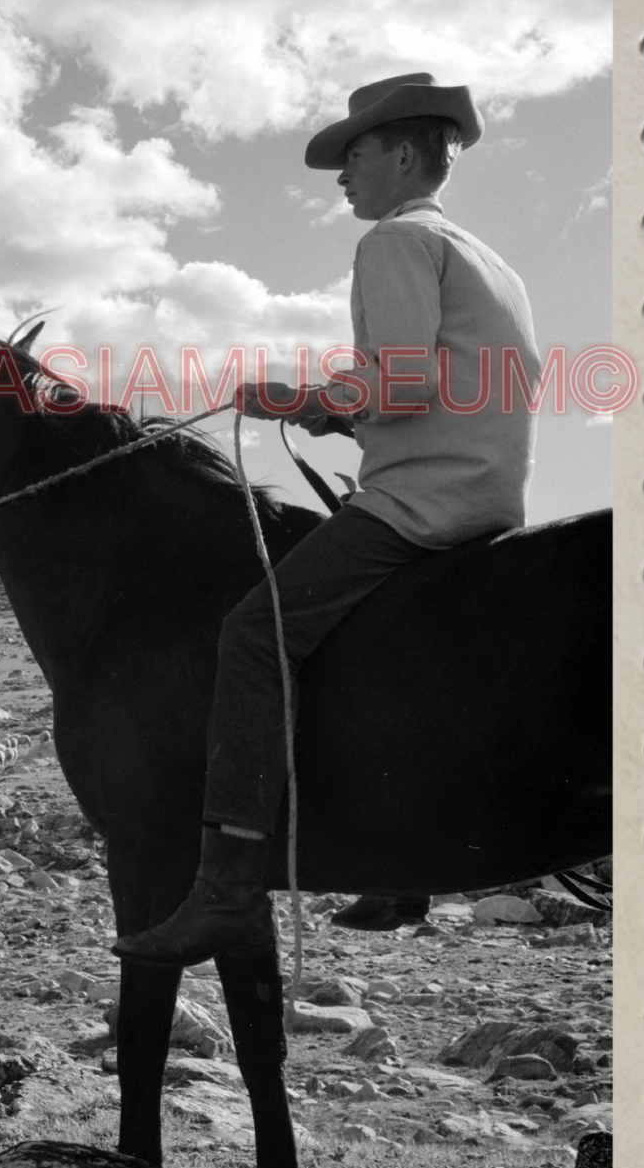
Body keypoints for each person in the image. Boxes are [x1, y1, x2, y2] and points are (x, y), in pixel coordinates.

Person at [113, 72, 541, 967]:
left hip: (420, 499)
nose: (342, 177)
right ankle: (402, 862)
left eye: (351, 156)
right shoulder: (490, 260)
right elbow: (443, 384)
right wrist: (339, 412)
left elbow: (408, 381)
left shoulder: (394, 242)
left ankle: (226, 886)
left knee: (253, 635)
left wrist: (300, 394)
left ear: (400, 152)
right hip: (490, 494)